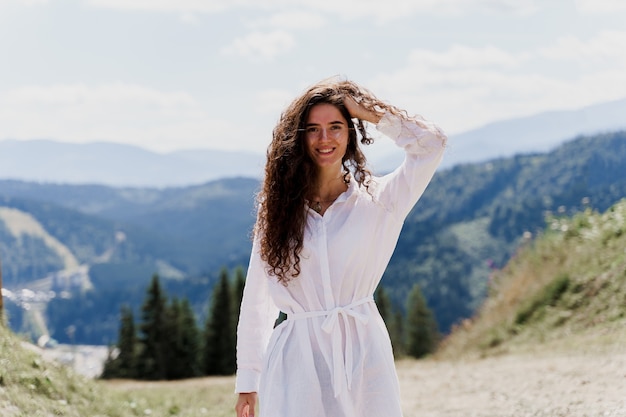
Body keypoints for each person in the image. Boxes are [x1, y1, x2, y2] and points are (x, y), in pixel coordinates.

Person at [234, 77, 447, 417]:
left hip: (364, 354)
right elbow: (258, 299)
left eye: (336, 126)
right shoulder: (276, 210)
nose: (325, 138)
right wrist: (248, 380)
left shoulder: (381, 200)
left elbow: (432, 144)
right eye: (313, 129)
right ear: (298, 138)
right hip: (295, 361)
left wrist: (369, 111)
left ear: (351, 133)